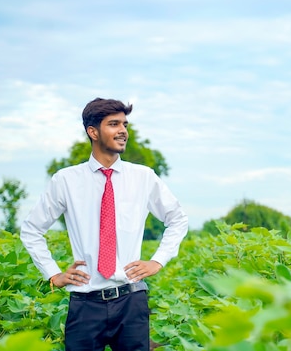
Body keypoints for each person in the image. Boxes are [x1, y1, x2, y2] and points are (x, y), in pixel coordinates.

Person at [20, 98, 188, 351]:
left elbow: (177, 218)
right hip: (85, 304)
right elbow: (32, 229)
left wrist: (158, 260)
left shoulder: (143, 177)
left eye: (125, 124)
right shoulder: (66, 180)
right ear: (93, 132)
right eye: (113, 124)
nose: (123, 130)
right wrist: (54, 274)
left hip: (131, 301)